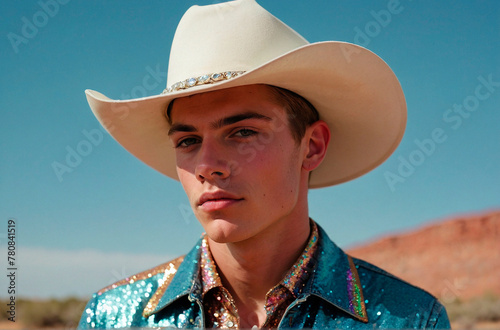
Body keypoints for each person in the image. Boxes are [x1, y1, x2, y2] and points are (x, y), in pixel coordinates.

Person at [78, 0, 450, 328]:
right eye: (188, 141)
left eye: (242, 133)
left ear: (312, 147)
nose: (207, 166)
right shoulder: (113, 318)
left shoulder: (412, 320)